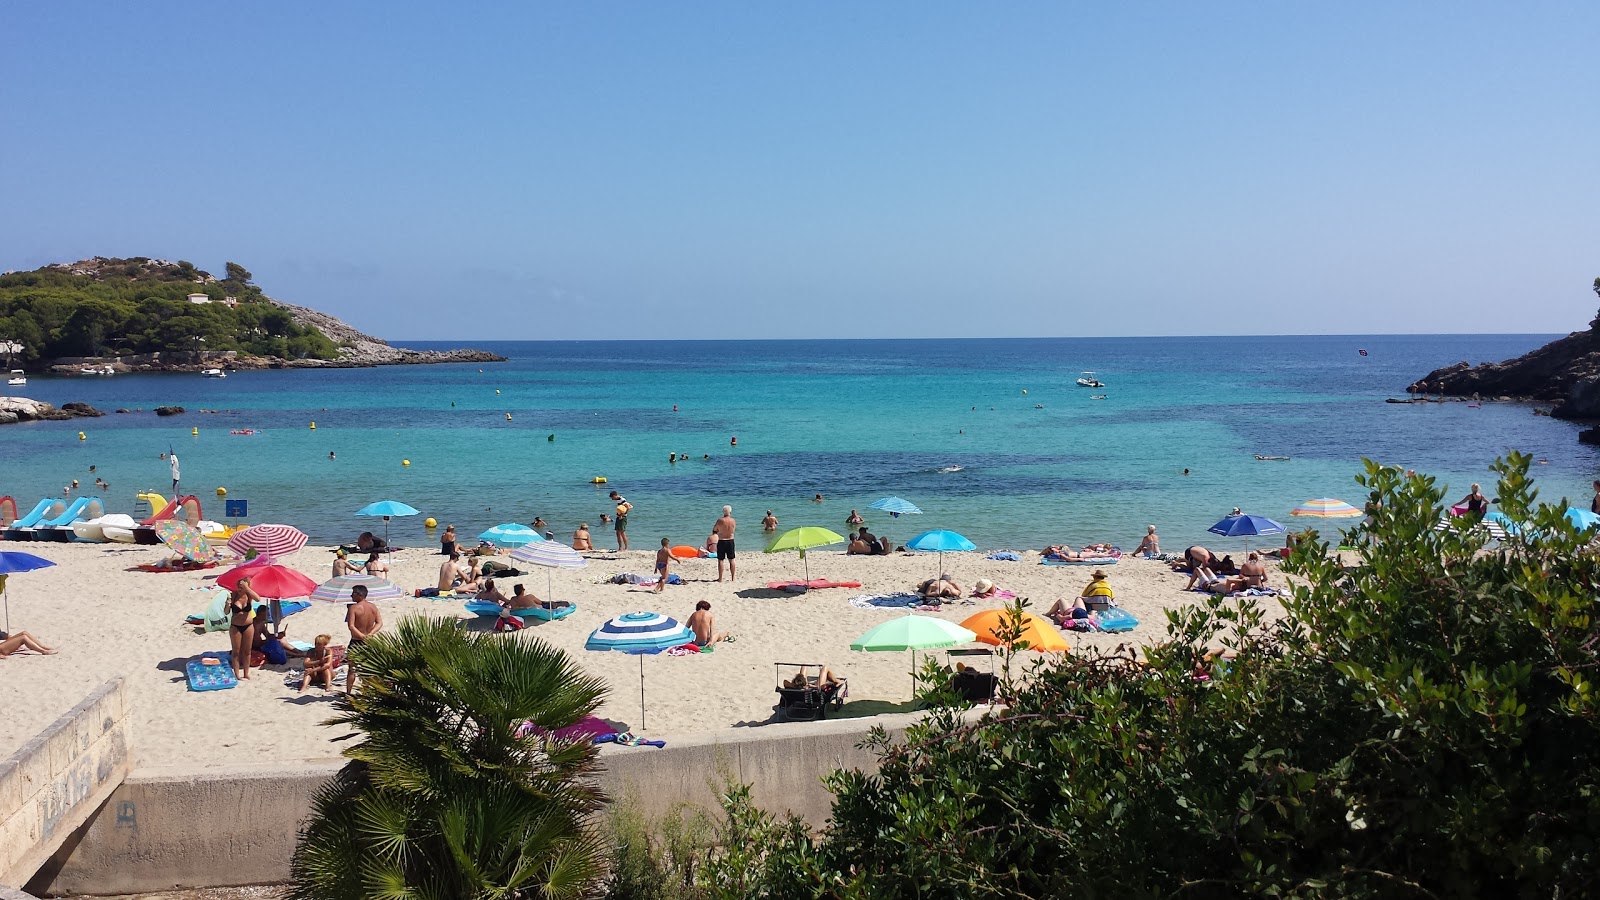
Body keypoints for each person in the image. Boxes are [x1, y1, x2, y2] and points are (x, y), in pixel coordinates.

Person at [344, 585, 382, 695]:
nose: (351, 595)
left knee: (352, 669)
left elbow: (351, 626)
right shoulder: (373, 607)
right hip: (369, 641)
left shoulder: (354, 608)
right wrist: (370, 634)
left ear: (359, 595)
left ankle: (348, 693)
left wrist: (361, 636)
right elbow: (379, 623)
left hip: (356, 641)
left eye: (353, 593)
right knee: (367, 668)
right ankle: (366, 692)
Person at [227, 576, 260, 680]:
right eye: (239, 586)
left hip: (248, 626)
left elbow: (258, 599)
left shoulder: (249, 596)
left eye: (242, 586)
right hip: (235, 627)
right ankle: (237, 674)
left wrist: (247, 588)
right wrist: (228, 605)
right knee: (236, 652)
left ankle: (246, 673)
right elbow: (226, 612)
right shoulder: (233, 595)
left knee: (247, 651)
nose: (240, 588)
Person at [713, 505, 737, 581]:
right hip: (730, 540)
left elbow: (715, 529)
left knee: (720, 560)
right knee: (731, 560)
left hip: (722, 540)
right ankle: (733, 578)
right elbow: (733, 530)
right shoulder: (733, 520)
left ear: (723, 512)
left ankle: (720, 578)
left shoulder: (720, 520)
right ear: (730, 512)